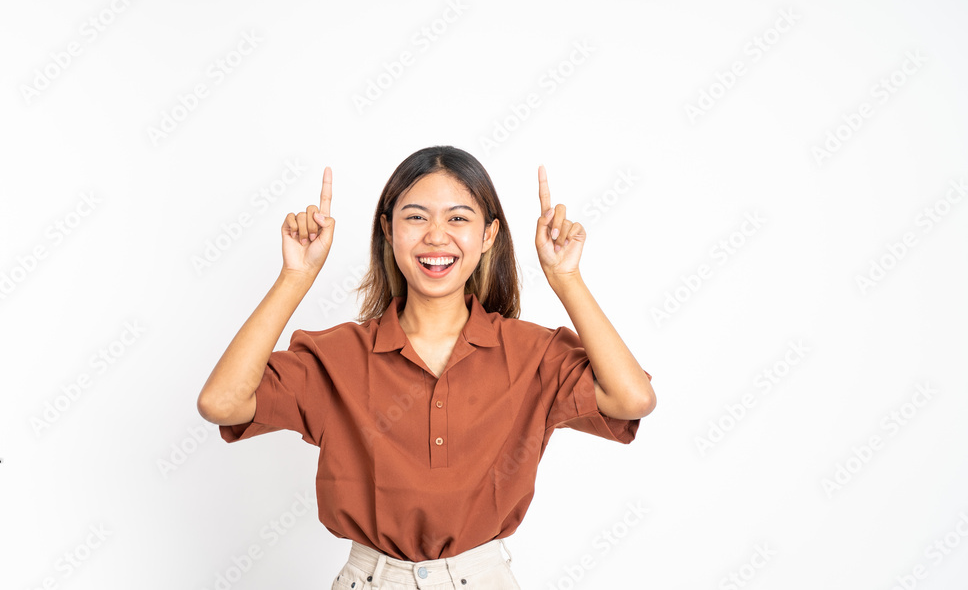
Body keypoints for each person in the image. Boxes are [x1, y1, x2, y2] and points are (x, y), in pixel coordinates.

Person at [197, 146, 655, 589]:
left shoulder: (532, 352)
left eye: (458, 217)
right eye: (416, 217)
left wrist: (566, 279)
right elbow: (222, 402)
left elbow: (632, 398)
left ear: (489, 235)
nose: (437, 235)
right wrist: (295, 277)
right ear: (388, 230)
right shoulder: (336, 357)